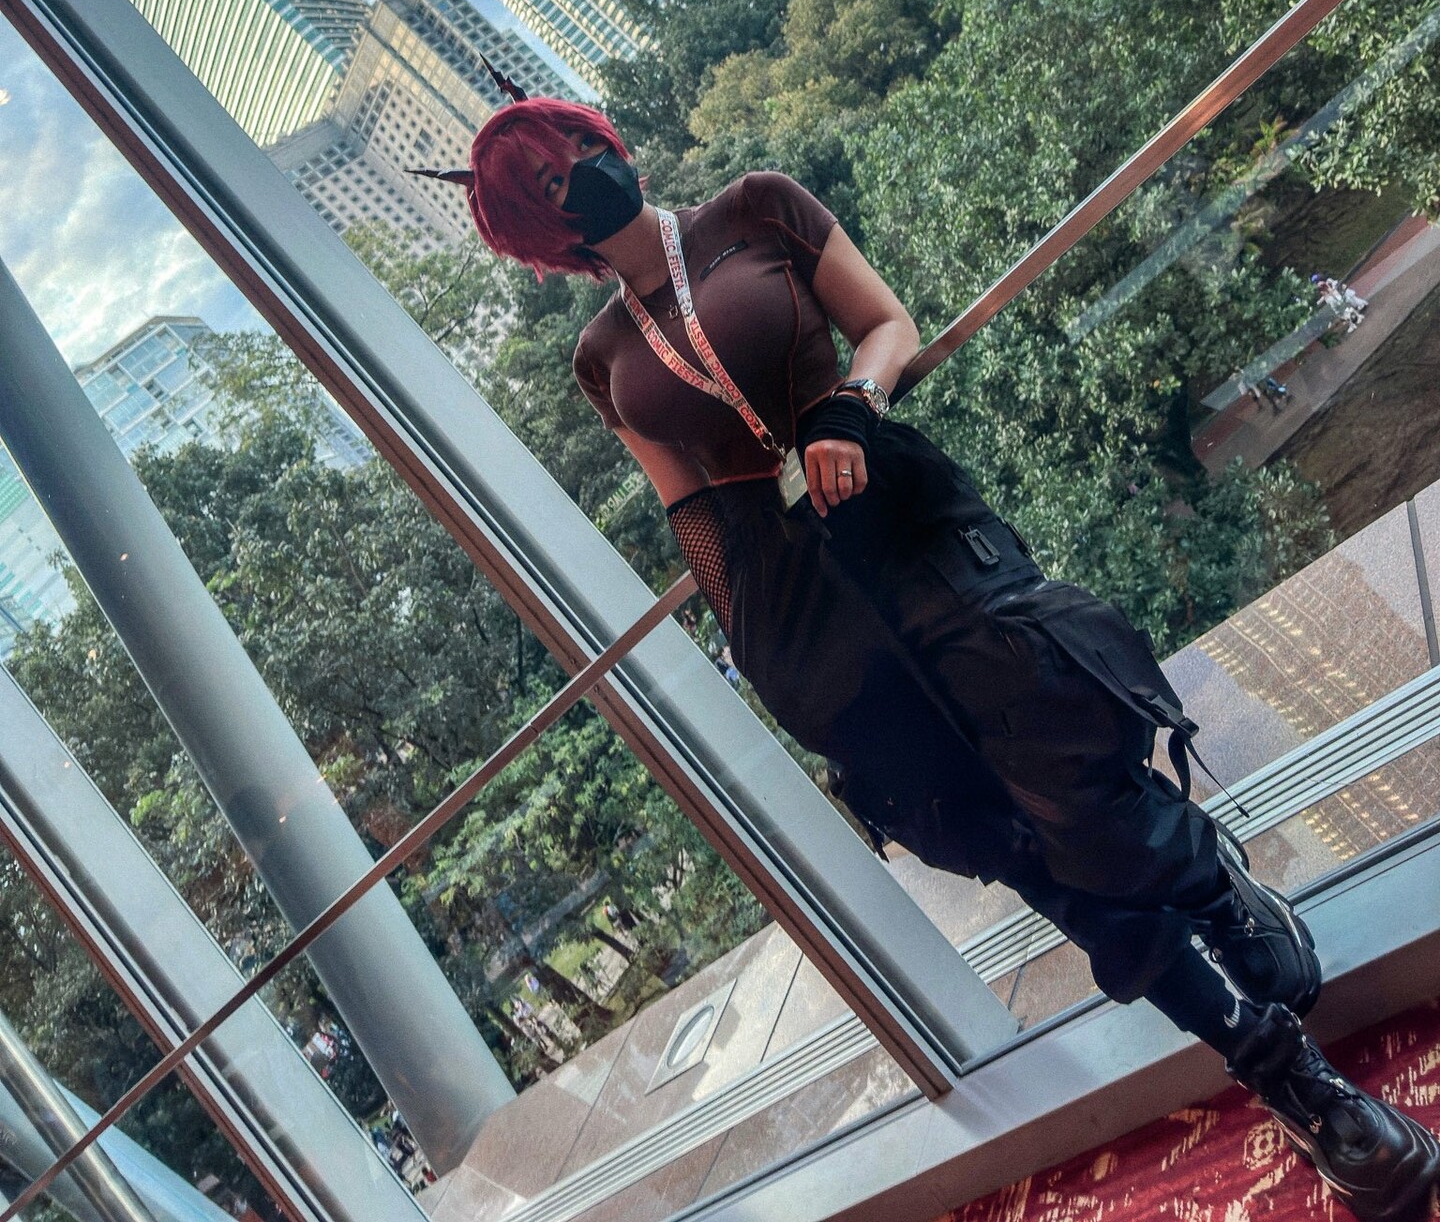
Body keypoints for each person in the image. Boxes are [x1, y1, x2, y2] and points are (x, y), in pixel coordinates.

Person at [441, 96, 1439, 1222]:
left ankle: (1211, 884)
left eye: (581, 144)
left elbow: (886, 322)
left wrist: (853, 407)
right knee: (1014, 848)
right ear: (544, 232)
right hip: (807, 623)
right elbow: (693, 514)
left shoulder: (753, 209)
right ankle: (1293, 1083)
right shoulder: (603, 356)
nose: (586, 168)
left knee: (1071, 770)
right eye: (553, 180)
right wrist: (764, 655)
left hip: (907, 525)